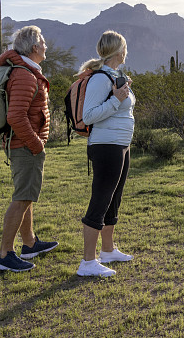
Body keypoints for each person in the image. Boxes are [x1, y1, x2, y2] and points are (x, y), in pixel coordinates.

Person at [0, 26, 59, 272]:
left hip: (23, 145)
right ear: (34, 48)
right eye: (43, 42)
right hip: (25, 146)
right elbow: (16, 117)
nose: (46, 46)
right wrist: (36, 143)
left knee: (27, 196)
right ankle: (4, 254)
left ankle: (29, 243)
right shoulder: (25, 76)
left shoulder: (27, 72)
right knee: (21, 198)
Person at [76, 30, 135, 277]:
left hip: (121, 145)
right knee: (100, 200)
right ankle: (88, 262)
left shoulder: (115, 75)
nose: (127, 51)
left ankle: (108, 250)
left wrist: (122, 95)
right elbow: (88, 116)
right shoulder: (100, 79)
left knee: (113, 199)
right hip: (106, 146)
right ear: (119, 51)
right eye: (125, 47)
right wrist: (116, 99)